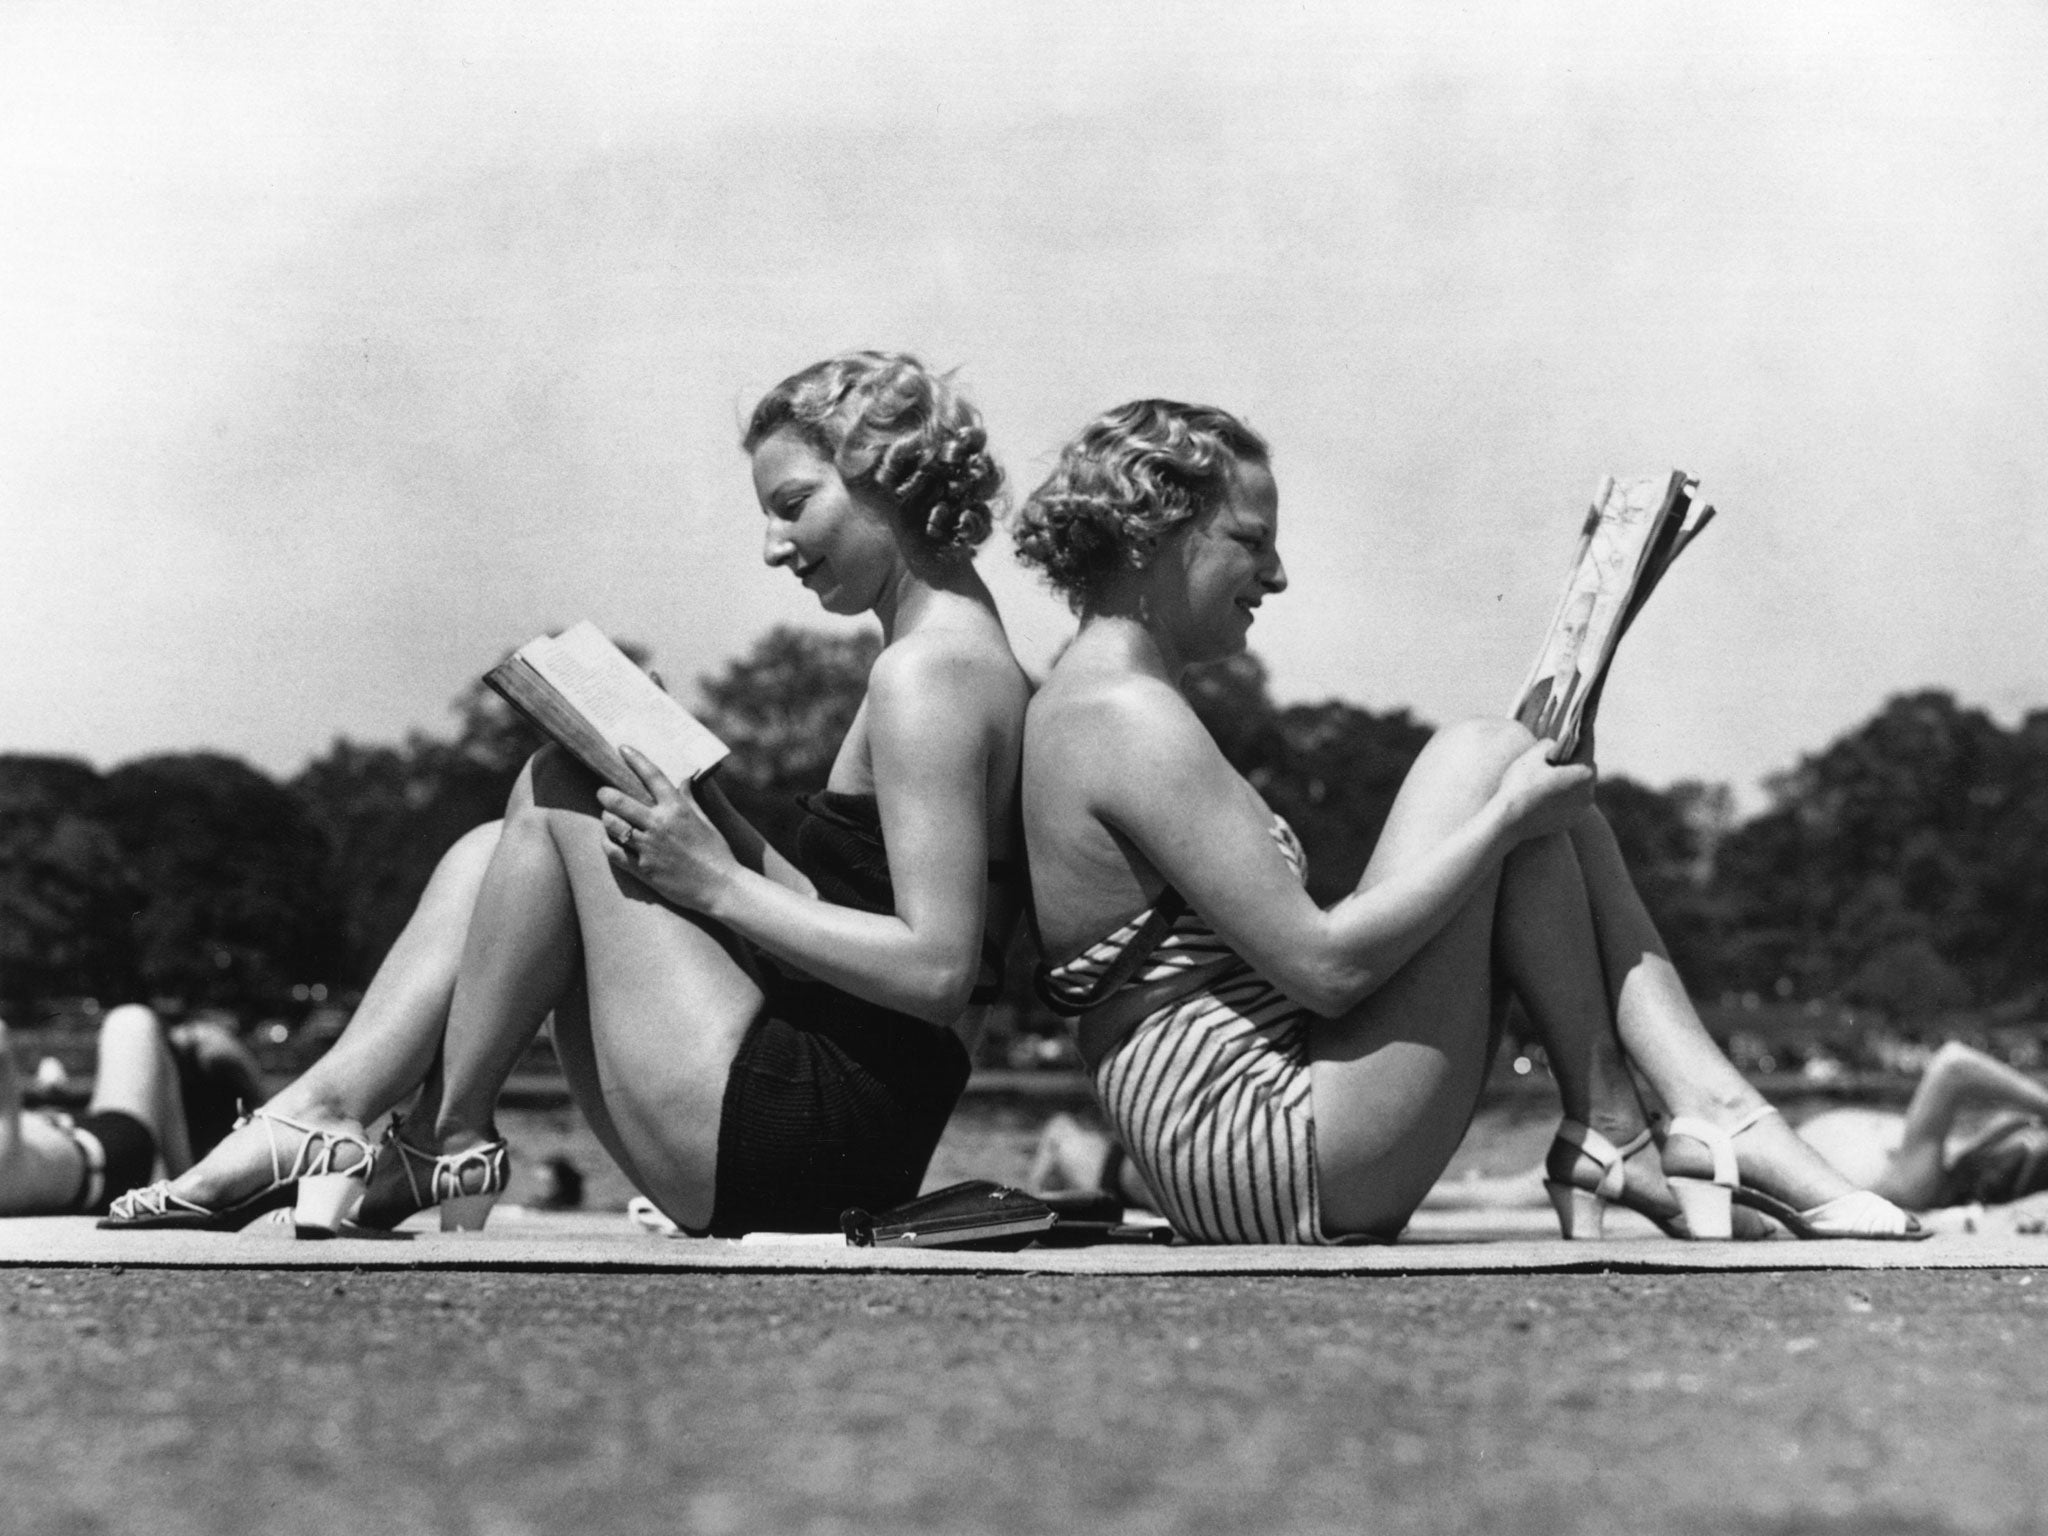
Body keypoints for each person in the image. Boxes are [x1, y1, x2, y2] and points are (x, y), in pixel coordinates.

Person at [105, 351, 1029, 1237]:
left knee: (558, 787)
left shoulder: (927, 677)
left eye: (793, 505)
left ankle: (433, 1135)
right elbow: (858, 912)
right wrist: (713, 820)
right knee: (489, 858)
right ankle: (330, 1112)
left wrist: (715, 883)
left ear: (885, 476)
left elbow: (937, 972)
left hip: (808, 1141)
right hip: (820, 1123)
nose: (772, 545)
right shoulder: (955, 652)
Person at [1011, 399, 1924, 1244]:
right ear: (1148, 536)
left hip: (1258, 1135)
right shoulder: (1122, 717)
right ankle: (1681, 1120)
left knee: (1519, 783)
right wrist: (1501, 822)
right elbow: (1326, 969)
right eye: (1251, 541)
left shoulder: (1098, 701)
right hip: (1266, 1155)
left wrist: (1520, 813)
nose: (1278, 575)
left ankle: (1650, 1123)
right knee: (1492, 772)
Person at [1, 1005, 261, 1217]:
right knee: (130, 1021)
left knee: (137, 1023)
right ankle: (191, 1181)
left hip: (80, 1141)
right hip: (106, 1150)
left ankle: (191, 1179)